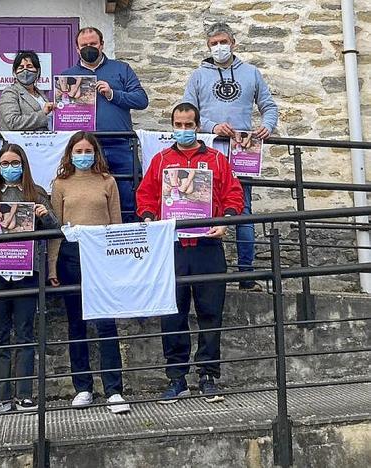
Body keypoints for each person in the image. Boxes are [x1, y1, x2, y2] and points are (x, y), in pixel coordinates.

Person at [136, 102, 243, 404]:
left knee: (211, 312)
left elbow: (233, 194)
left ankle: (208, 375)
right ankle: (176, 378)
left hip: (208, 245)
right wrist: (147, 218)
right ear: (172, 126)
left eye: (188, 125)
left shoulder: (217, 160)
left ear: (197, 126)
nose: (183, 130)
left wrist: (226, 221)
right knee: (173, 313)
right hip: (172, 248)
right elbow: (145, 196)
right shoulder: (160, 161)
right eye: (178, 125)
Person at [182, 22, 278, 291]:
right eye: (213, 43)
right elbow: (186, 112)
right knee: (200, 207)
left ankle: (246, 274)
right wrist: (211, 126)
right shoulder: (198, 76)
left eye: (223, 41)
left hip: (241, 152)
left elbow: (269, 106)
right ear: (208, 46)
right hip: (207, 150)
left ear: (233, 42)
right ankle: (203, 273)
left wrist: (266, 127)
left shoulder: (251, 73)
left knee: (242, 211)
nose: (219, 47)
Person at [0, 144, 59, 415]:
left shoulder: (37, 194)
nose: (10, 167)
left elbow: (55, 227)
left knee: (26, 332)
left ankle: (25, 394)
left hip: (27, 271)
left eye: (14, 162)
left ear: (24, 164)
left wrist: (45, 215)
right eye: (5, 163)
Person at [47, 131, 130, 414]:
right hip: (71, 257)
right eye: (78, 151)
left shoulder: (108, 181)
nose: (83, 155)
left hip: (102, 255)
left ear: (96, 152)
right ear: (70, 154)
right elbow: (55, 229)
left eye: (88, 150)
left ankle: (114, 389)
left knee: (106, 323)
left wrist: (118, 262)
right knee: (76, 324)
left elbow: (116, 223)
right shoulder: (60, 184)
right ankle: (83, 386)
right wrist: (52, 265)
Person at [61, 27, 149, 222]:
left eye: (93, 44)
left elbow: (142, 100)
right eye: (84, 45)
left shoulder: (121, 69)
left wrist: (113, 94)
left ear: (102, 44)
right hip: (86, 149)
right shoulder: (67, 75)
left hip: (121, 144)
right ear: (77, 48)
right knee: (90, 200)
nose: (88, 48)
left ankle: (129, 243)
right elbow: (63, 114)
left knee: (128, 198)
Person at [0, 50, 54, 131]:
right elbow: (12, 122)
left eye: (29, 66)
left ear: (37, 71)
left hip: (43, 141)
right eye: (21, 67)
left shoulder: (40, 94)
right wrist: (43, 113)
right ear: (14, 72)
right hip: (19, 143)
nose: (25, 71)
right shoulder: (10, 93)